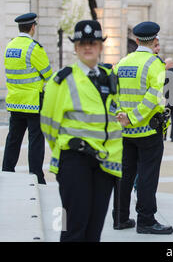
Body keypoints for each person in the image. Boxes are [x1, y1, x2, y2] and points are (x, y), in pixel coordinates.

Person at [40, 20, 123, 242]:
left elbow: (113, 121)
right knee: (73, 229)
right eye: (82, 43)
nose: (88, 47)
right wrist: (64, 151)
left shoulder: (110, 78)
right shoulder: (62, 80)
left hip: (105, 165)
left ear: (100, 47)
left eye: (93, 42)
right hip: (74, 161)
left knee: (94, 231)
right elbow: (48, 125)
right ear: (75, 48)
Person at [112, 21, 173, 235]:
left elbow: (114, 94)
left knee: (124, 174)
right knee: (147, 175)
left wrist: (123, 117)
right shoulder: (155, 64)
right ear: (155, 40)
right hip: (147, 129)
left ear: (136, 40)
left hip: (125, 130)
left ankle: (119, 217)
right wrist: (133, 117)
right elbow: (153, 98)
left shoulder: (122, 62)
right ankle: (146, 220)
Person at [2, 13, 52, 184]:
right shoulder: (33, 47)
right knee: (35, 140)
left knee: (13, 139)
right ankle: (37, 175)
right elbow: (47, 74)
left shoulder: (10, 46)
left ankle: (7, 170)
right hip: (32, 102)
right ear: (32, 27)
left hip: (15, 100)